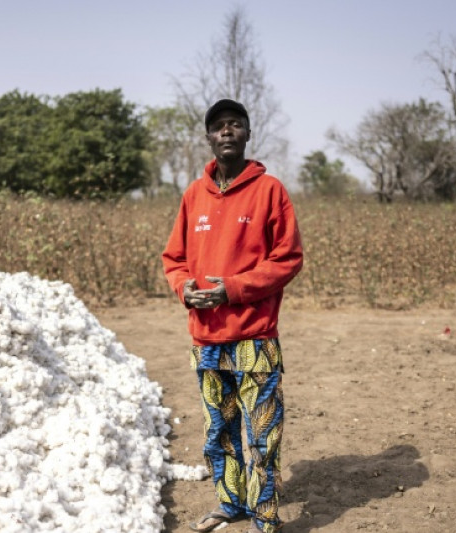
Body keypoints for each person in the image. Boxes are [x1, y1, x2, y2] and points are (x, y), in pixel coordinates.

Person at [161, 99, 303, 533]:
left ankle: (264, 517)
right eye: (219, 126)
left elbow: (288, 259)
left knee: (262, 435)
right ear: (208, 137)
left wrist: (233, 290)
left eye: (235, 125)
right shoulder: (193, 194)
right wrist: (184, 287)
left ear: (246, 135)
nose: (227, 131)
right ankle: (230, 504)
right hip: (206, 340)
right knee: (218, 432)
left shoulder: (270, 190)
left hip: (254, 338)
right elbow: (174, 258)